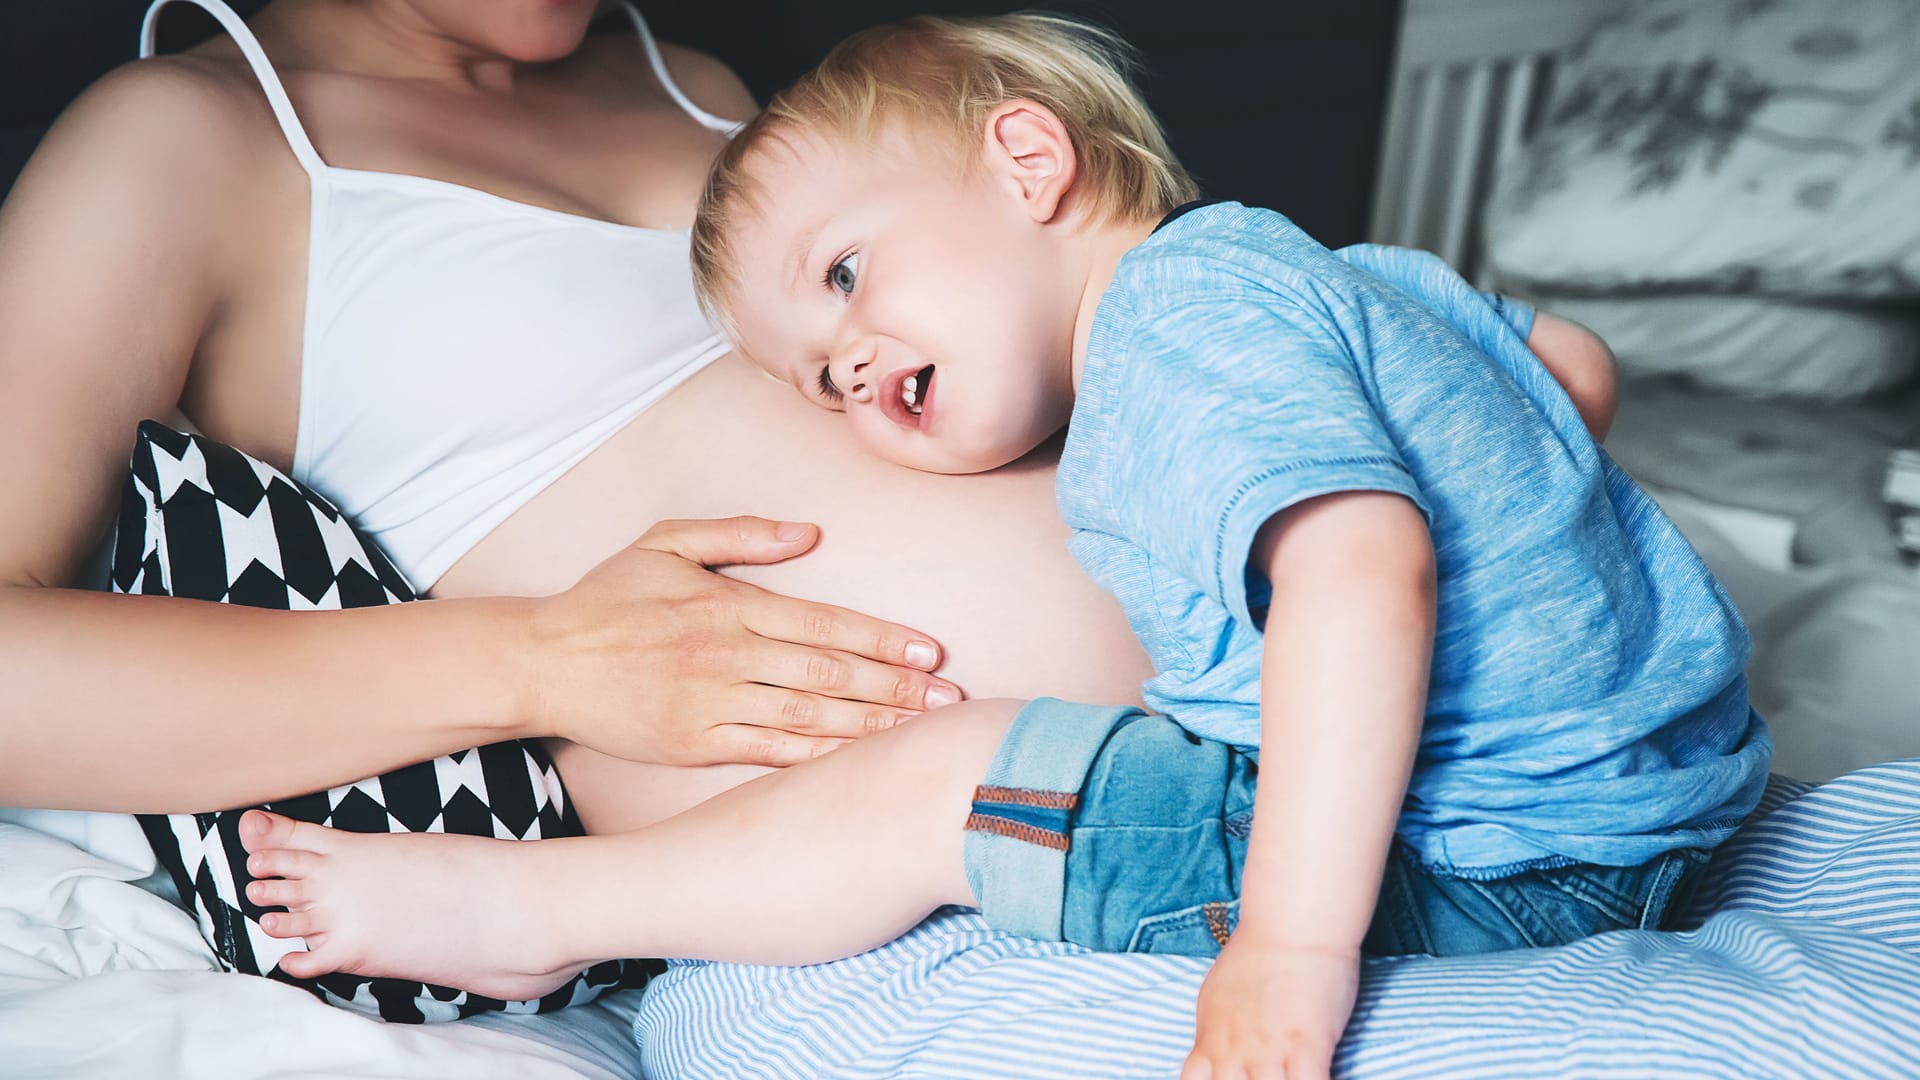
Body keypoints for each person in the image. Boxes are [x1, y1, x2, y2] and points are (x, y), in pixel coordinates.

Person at [230, 13, 1763, 1080]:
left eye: (842, 274)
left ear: (1031, 164)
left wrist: (1292, 950)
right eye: (810, 373)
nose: (841, 366)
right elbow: (1564, 366)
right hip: (1660, 791)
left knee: (946, 776)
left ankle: (536, 914)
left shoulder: (1173, 332)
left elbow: (1363, 568)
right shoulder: (1304, 269)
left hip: (1497, 860)